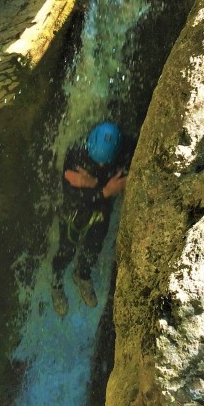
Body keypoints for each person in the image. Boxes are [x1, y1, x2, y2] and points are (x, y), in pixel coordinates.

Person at [51, 121, 133, 317]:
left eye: (106, 162)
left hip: (101, 207)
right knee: (66, 249)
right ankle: (56, 284)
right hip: (76, 209)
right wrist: (104, 190)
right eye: (99, 161)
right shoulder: (76, 156)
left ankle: (82, 275)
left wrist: (96, 184)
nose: (102, 165)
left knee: (94, 246)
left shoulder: (125, 150)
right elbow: (73, 195)